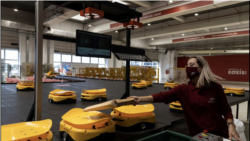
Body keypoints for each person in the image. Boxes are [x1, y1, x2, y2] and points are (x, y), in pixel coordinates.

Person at [128, 55, 242, 141]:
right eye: (187, 65)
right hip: (198, 135)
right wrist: (140, 99)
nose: (188, 68)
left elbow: (226, 109)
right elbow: (162, 96)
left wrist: (231, 126)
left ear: (201, 68)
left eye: (191, 65)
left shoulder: (215, 87)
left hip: (219, 133)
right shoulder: (182, 89)